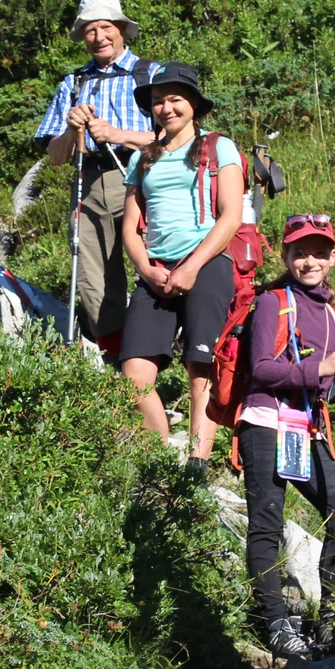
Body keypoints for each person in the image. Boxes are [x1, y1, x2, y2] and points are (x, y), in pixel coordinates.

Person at [233, 214, 335, 660]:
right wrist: (320, 367)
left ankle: (332, 617)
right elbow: (260, 369)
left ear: (333, 257)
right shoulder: (274, 302)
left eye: (318, 252)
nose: (308, 260)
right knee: (267, 524)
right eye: (299, 252)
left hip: (308, 428)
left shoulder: (334, 315)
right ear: (285, 255)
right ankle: (275, 623)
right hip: (264, 423)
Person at [118, 63, 244, 474]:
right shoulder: (143, 158)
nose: (166, 108)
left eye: (175, 99)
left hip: (207, 263)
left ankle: (197, 460)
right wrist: (145, 268)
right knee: (134, 370)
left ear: (193, 104)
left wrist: (193, 265)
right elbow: (130, 228)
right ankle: (159, 457)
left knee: (199, 362)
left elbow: (230, 216)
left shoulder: (218, 147)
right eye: (158, 101)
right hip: (156, 270)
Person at [35, 0, 158, 361]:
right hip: (89, 184)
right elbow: (55, 156)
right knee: (95, 280)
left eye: (105, 27)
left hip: (145, 177)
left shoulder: (151, 74)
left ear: (122, 30)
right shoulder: (72, 84)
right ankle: (119, 366)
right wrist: (72, 131)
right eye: (89, 30)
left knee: (154, 266)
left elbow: (179, 138)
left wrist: (118, 135)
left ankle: (153, 355)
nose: (98, 36)